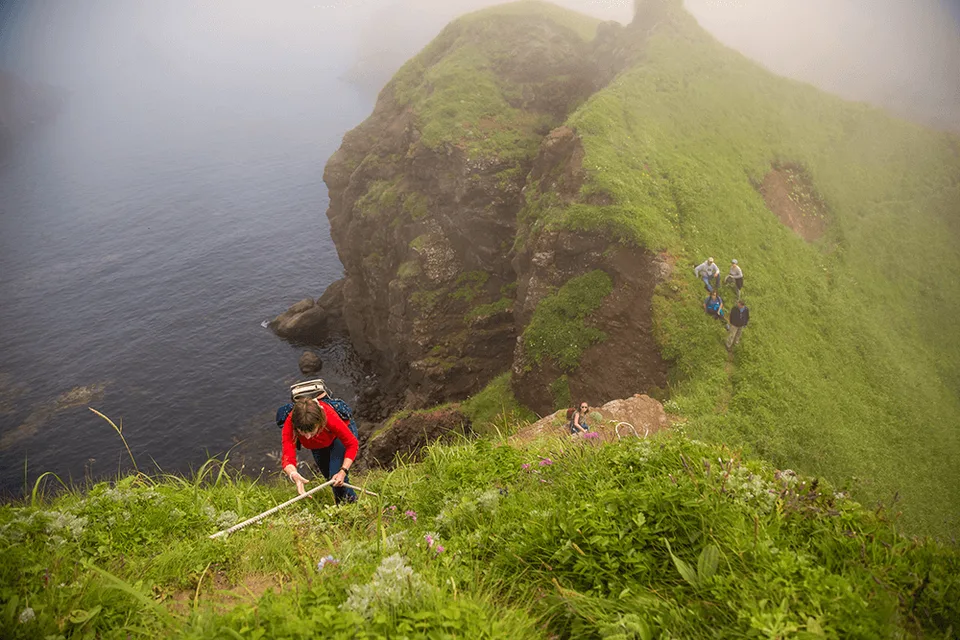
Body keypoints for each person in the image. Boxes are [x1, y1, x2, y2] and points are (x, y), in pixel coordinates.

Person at [282, 395, 359, 504]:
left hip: (337, 437)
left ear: (320, 422)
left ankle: (350, 505)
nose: (308, 437)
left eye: (311, 431)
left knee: (336, 476)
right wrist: (294, 475)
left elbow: (352, 444)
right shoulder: (290, 423)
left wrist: (343, 471)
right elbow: (287, 457)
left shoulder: (329, 416)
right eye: (303, 432)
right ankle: (344, 505)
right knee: (330, 478)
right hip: (318, 444)